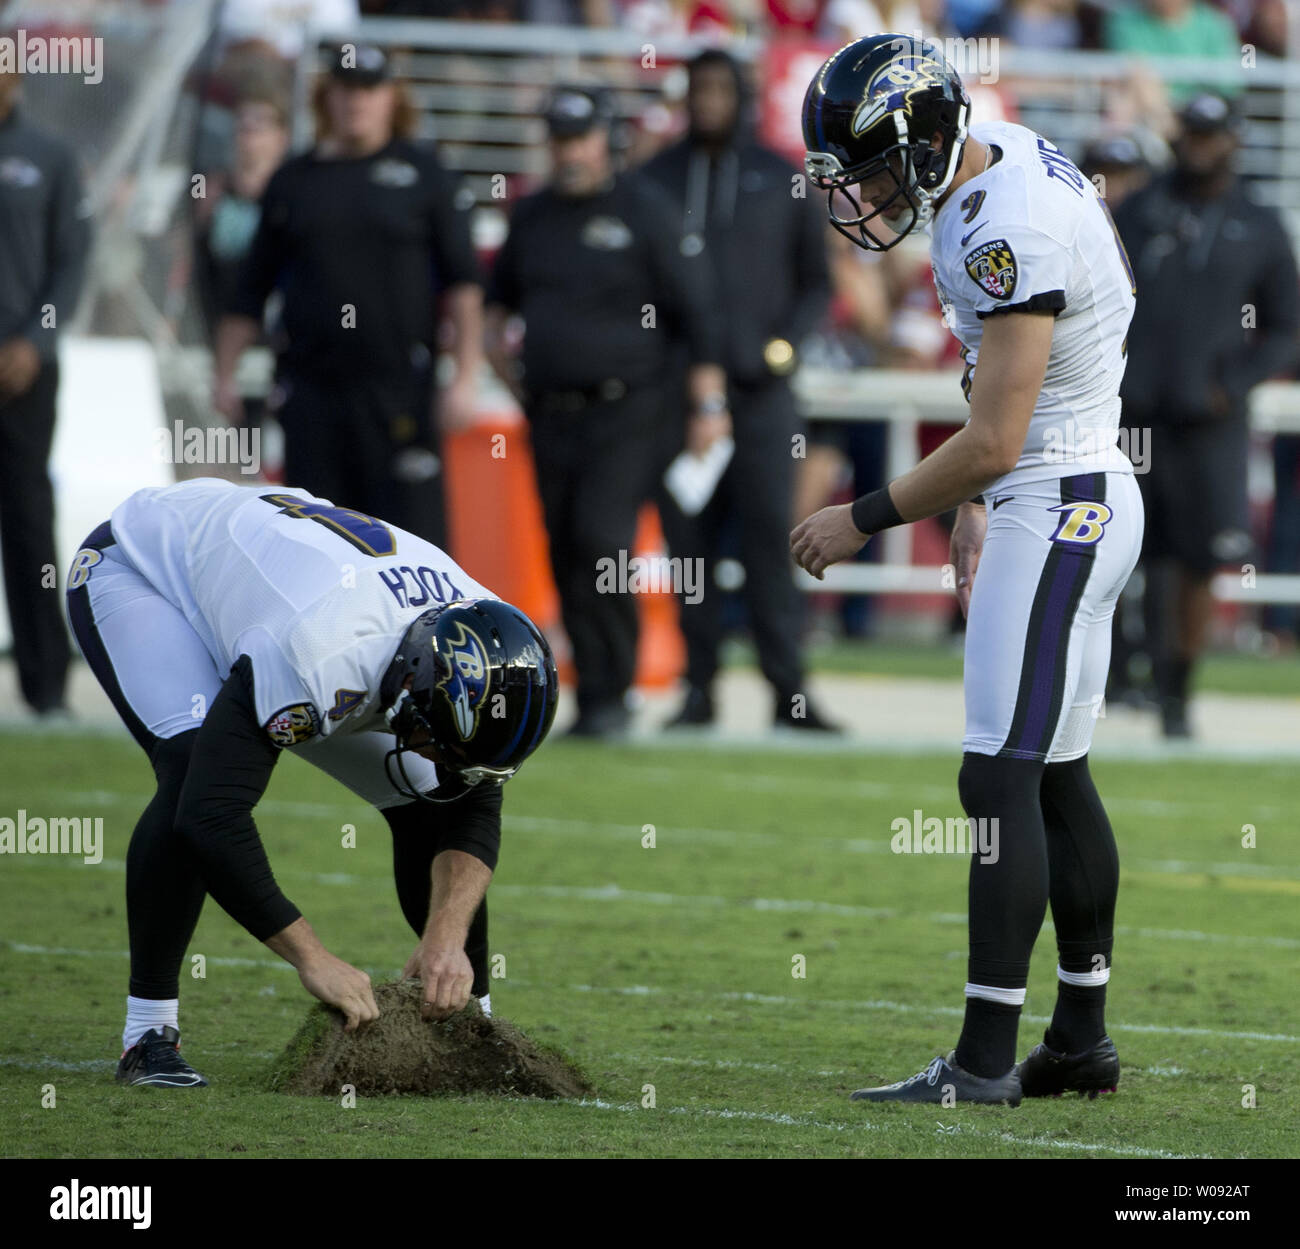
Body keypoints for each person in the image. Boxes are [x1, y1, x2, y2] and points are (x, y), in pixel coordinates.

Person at [792, 35, 1142, 1105]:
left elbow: (995, 437)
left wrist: (861, 515)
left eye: (874, 164)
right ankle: (1077, 1042)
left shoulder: (1005, 226)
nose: (862, 192)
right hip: (1067, 489)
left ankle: (987, 1058)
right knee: (1048, 771)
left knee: (995, 778)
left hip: (1061, 498)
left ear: (932, 139)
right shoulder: (994, 166)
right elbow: (997, 403)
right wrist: (978, 500)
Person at [65, 478, 558, 1087]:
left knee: (436, 796)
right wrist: (313, 958)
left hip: (288, 599)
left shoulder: (483, 635)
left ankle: (474, 1024)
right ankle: (148, 1033)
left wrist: (446, 939)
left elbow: (472, 798)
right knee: (191, 774)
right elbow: (211, 816)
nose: (456, 762)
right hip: (147, 575)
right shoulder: (318, 658)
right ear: (413, 693)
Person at [485, 83, 726, 738]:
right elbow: (495, 306)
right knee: (563, 546)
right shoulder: (531, 217)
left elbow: (696, 313)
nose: (569, 152)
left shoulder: (644, 209)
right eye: (559, 138)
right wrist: (515, 381)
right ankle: (591, 692)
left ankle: (613, 689)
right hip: (551, 410)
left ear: (606, 141)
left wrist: (707, 405)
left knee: (600, 539)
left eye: (580, 138)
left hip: (631, 409)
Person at [213, 44, 483, 547]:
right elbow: (252, 288)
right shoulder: (294, 180)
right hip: (312, 390)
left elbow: (464, 284)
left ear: (390, 98)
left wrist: (464, 377)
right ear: (327, 97)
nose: (357, 101)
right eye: (346, 89)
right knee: (319, 543)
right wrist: (225, 373)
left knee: (412, 541)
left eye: (370, 89)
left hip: (401, 390)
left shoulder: (425, 175)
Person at [641, 49, 836, 732]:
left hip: (762, 397)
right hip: (678, 399)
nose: (710, 100)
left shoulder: (779, 179)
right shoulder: (655, 180)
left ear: (745, 96)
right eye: (700, 88)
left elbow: (818, 282)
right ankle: (699, 690)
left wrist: (778, 349)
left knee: (768, 547)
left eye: (724, 88)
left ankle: (790, 693)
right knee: (688, 550)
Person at [1112, 93, 1299, 735]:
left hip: (1209, 420)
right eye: (1190, 132)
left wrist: (1234, 382)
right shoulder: (1140, 210)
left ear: (1234, 140)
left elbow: (1284, 327)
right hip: (1132, 415)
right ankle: (1113, 677)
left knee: (1196, 558)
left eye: (1211, 134)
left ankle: (1177, 691)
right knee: (1116, 546)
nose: (1199, 145)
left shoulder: (1259, 222)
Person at [0, 66, 91, 717]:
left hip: (21, 368)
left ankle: (46, 689)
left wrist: (36, 340)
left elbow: (72, 259)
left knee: (28, 520)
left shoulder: (49, 156)